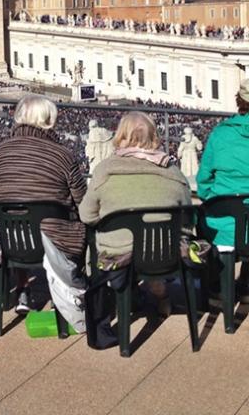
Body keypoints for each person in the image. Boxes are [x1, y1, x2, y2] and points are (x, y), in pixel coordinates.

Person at [79, 111, 191, 326]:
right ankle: (161, 295)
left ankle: (125, 294)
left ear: (120, 136)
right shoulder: (173, 172)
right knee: (152, 244)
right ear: (154, 138)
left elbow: (86, 215)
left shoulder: (104, 171)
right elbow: (186, 217)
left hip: (117, 254)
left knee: (120, 243)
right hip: (164, 253)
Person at [0, 94, 88, 314]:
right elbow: (83, 203)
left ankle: (22, 288)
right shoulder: (63, 156)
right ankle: (74, 290)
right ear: (50, 121)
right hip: (55, 241)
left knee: (17, 219)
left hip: (11, 241)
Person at [197, 79, 249, 299]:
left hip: (224, 225)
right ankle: (246, 284)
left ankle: (215, 286)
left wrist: (214, 200)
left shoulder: (220, 134)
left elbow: (203, 181)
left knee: (202, 218)